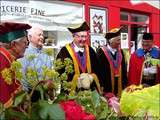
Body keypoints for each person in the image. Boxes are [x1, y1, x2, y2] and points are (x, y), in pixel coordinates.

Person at [56, 21, 103, 95]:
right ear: (74, 36)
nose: (83, 39)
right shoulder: (64, 52)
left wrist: (91, 77)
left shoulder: (90, 50)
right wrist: (76, 81)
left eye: (85, 36)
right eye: (80, 36)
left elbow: (99, 70)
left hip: (89, 92)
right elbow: (60, 72)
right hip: (72, 93)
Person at [0, 22, 31, 108]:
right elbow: (5, 100)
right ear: (13, 44)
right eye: (25, 43)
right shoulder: (2, 60)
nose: (27, 46)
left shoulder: (7, 58)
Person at [18, 25, 52, 92]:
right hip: (30, 93)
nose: (42, 37)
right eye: (39, 35)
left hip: (45, 93)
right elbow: (21, 76)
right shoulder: (24, 53)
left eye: (42, 35)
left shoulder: (46, 53)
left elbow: (50, 74)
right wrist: (26, 95)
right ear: (30, 37)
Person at [97, 27, 128, 97]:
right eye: (118, 40)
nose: (119, 42)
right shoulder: (101, 52)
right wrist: (101, 85)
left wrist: (125, 83)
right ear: (111, 41)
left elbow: (124, 69)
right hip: (107, 86)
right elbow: (99, 71)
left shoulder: (121, 52)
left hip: (120, 85)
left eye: (120, 40)